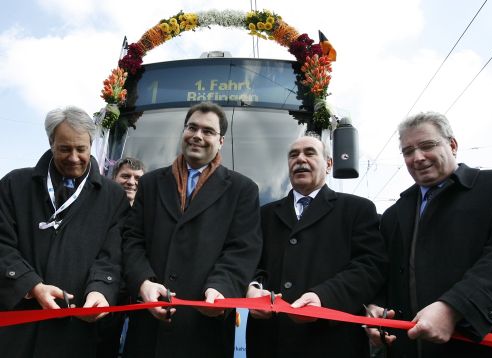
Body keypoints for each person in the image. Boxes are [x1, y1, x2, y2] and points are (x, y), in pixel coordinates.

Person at [121, 102, 262, 357]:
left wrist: (220, 288)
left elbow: (242, 250)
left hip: (205, 332)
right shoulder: (151, 183)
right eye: (192, 127)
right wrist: (143, 283)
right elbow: (132, 239)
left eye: (207, 131)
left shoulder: (243, 190)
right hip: (148, 332)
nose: (197, 135)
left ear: (221, 141)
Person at [367, 111, 492, 358]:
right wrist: (376, 308)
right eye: (408, 151)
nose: (417, 157)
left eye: (427, 145)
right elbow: (382, 272)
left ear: (452, 144)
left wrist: (454, 307)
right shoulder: (394, 214)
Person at [0, 106, 129, 357]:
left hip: (76, 333)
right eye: (64, 149)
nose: (74, 157)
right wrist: (32, 285)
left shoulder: (114, 198)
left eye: (81, 149)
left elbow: (111, 257)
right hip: (17, 329)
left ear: (91, 144)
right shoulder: (14, 185)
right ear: (51, 143)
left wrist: (100, 290)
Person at [245, 133, 387, 357]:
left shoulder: (357, 210)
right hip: (269, 342)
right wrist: (253, 289)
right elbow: (249, 261)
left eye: (309, 153)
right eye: (293, 155)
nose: (300, 159)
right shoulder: (264, 214)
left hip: (332, 343)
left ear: (329, 164)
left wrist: (324, 297)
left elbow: (370, 266)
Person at [96, 157, 146, 358]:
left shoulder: (148, 215)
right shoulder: (100, 210)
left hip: (138, 298)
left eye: (137, 178)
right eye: (125, 176)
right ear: (113, 178)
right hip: (105, 294)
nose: (131, 182)